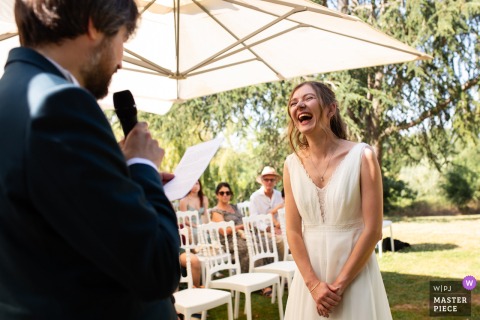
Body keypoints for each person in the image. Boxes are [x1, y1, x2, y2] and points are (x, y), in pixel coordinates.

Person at [0, 1, 180, 319]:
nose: (120, 59)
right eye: (122, 39)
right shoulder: (59, 104)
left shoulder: (13, 97)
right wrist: (143, 166)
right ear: (94, 25)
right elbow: (156, 266)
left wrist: (120, 172)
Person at [283, 81, 392, 319]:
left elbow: (373, 230)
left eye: (308, 98)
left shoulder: (362, 156)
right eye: (293, 102)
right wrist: (314, 286)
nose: (299, 104)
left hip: (354, 275)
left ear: (331, 109)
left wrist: (338, 286)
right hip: (310, 280)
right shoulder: (290, 165)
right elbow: (292, 231)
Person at [249, 166, 285, 260]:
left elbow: (283, 213)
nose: (269, 182)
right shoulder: (255, 197)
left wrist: (280, 227)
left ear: (275, 181)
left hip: (279, 228)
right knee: (281, 240)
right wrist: (270, 229)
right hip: (262, 231)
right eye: (266, 179)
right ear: (262, 181)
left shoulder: (279, 195)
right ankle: (283, 267)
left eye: (271, 180)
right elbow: (254, 220)